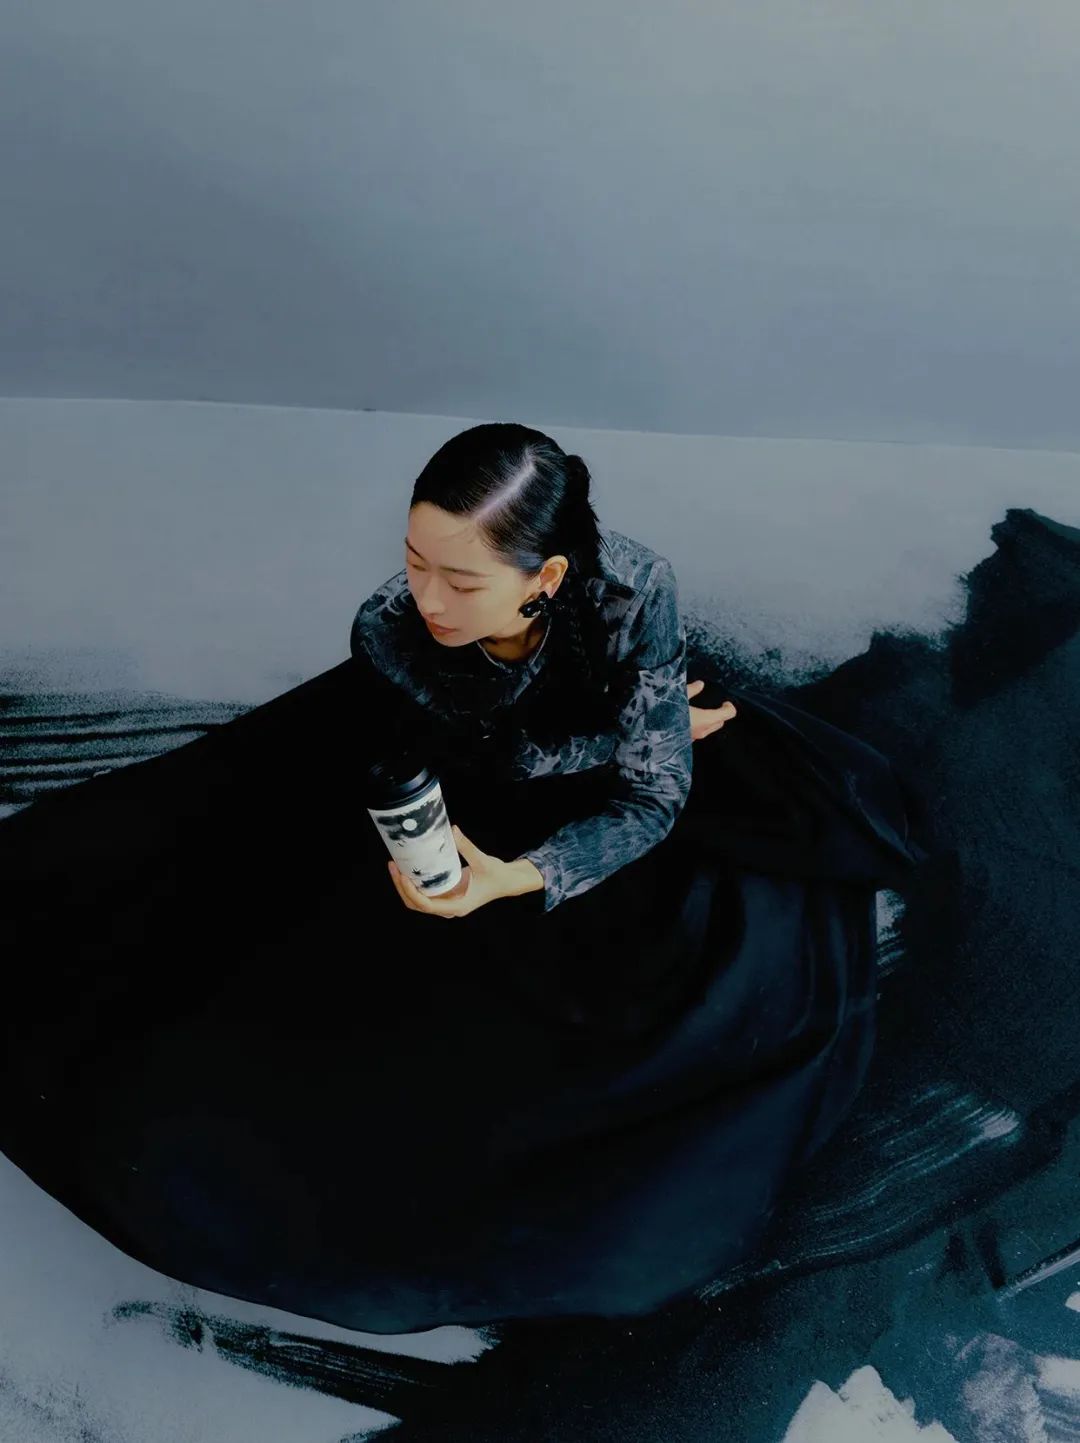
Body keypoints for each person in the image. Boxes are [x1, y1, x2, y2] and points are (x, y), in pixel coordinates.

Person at [0, 422, 928, 1335]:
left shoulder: (635, 585)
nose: (427, 598)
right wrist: (627, 741)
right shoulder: (392, 631)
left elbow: (652, 800)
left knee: (702, 968)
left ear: (546, 577)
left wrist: (525, 869)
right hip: (465, 759)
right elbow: (494, 762)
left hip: (582, 778)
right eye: (414, 562)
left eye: (462, 579)